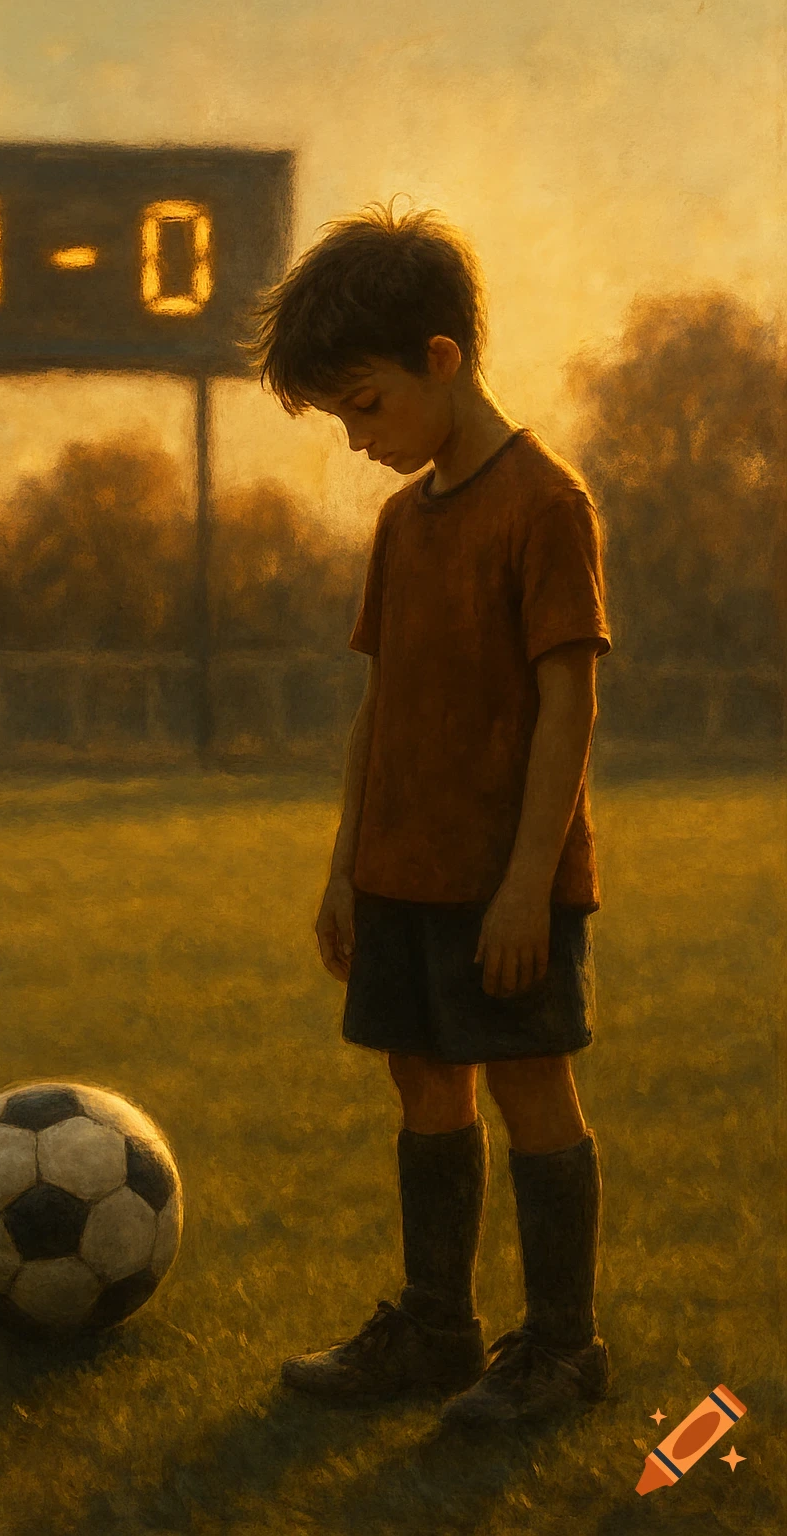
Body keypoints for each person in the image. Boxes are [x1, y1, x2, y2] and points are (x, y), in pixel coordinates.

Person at [249, 204, 612, 1424]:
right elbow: (379, 708)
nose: (356, 440)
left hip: (501, 880)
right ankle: (437, 1332)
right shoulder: (403, 522)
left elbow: (568, 706)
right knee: (421, 1078)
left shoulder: (545, 505)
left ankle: (562, 1349)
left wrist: (526, 883)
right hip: (399, 871)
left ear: (440, 361)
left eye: (365, 406)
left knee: (527, 1087)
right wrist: (345, 865)